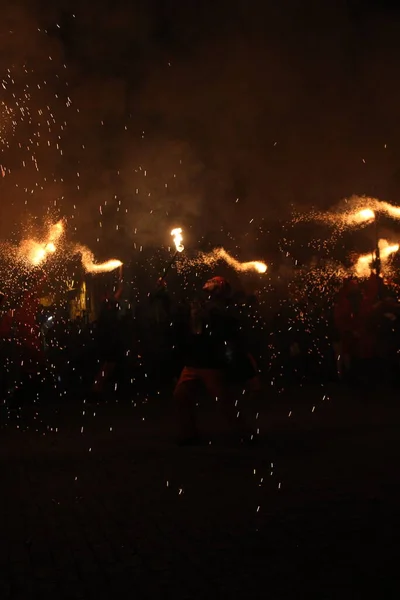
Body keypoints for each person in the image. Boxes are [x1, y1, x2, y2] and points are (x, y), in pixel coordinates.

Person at [172, 276, 256, 445]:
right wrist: (162, 290)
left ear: (220, 288)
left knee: (223, 401)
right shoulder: (202, 300)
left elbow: (225, 328)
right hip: (194, 361)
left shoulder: (221, 306)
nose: (208, 281)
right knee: (181, 396)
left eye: (213, 281)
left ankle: (245, 434)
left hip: (211, 361)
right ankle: (189, 435)